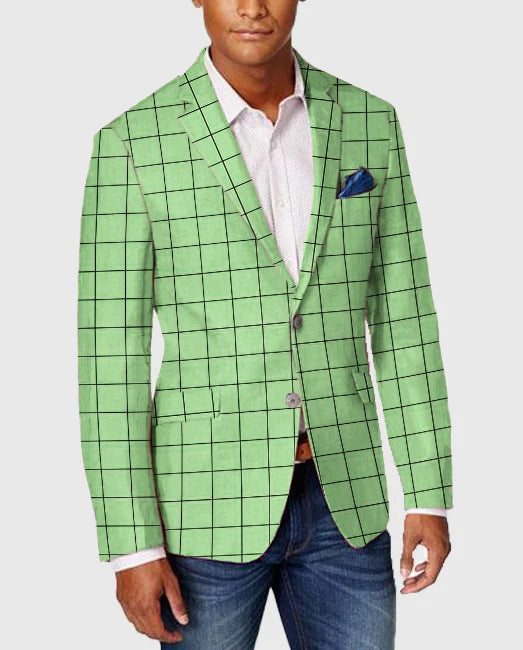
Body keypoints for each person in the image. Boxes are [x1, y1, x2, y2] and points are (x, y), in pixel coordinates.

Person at [77, 1, 452, 647]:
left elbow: (405, 316)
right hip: (201, 513)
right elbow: (110, 357)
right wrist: (132, 545)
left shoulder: (369, 121)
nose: (252, 7)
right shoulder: (134, 143)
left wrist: (428, 492)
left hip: (345, 505)